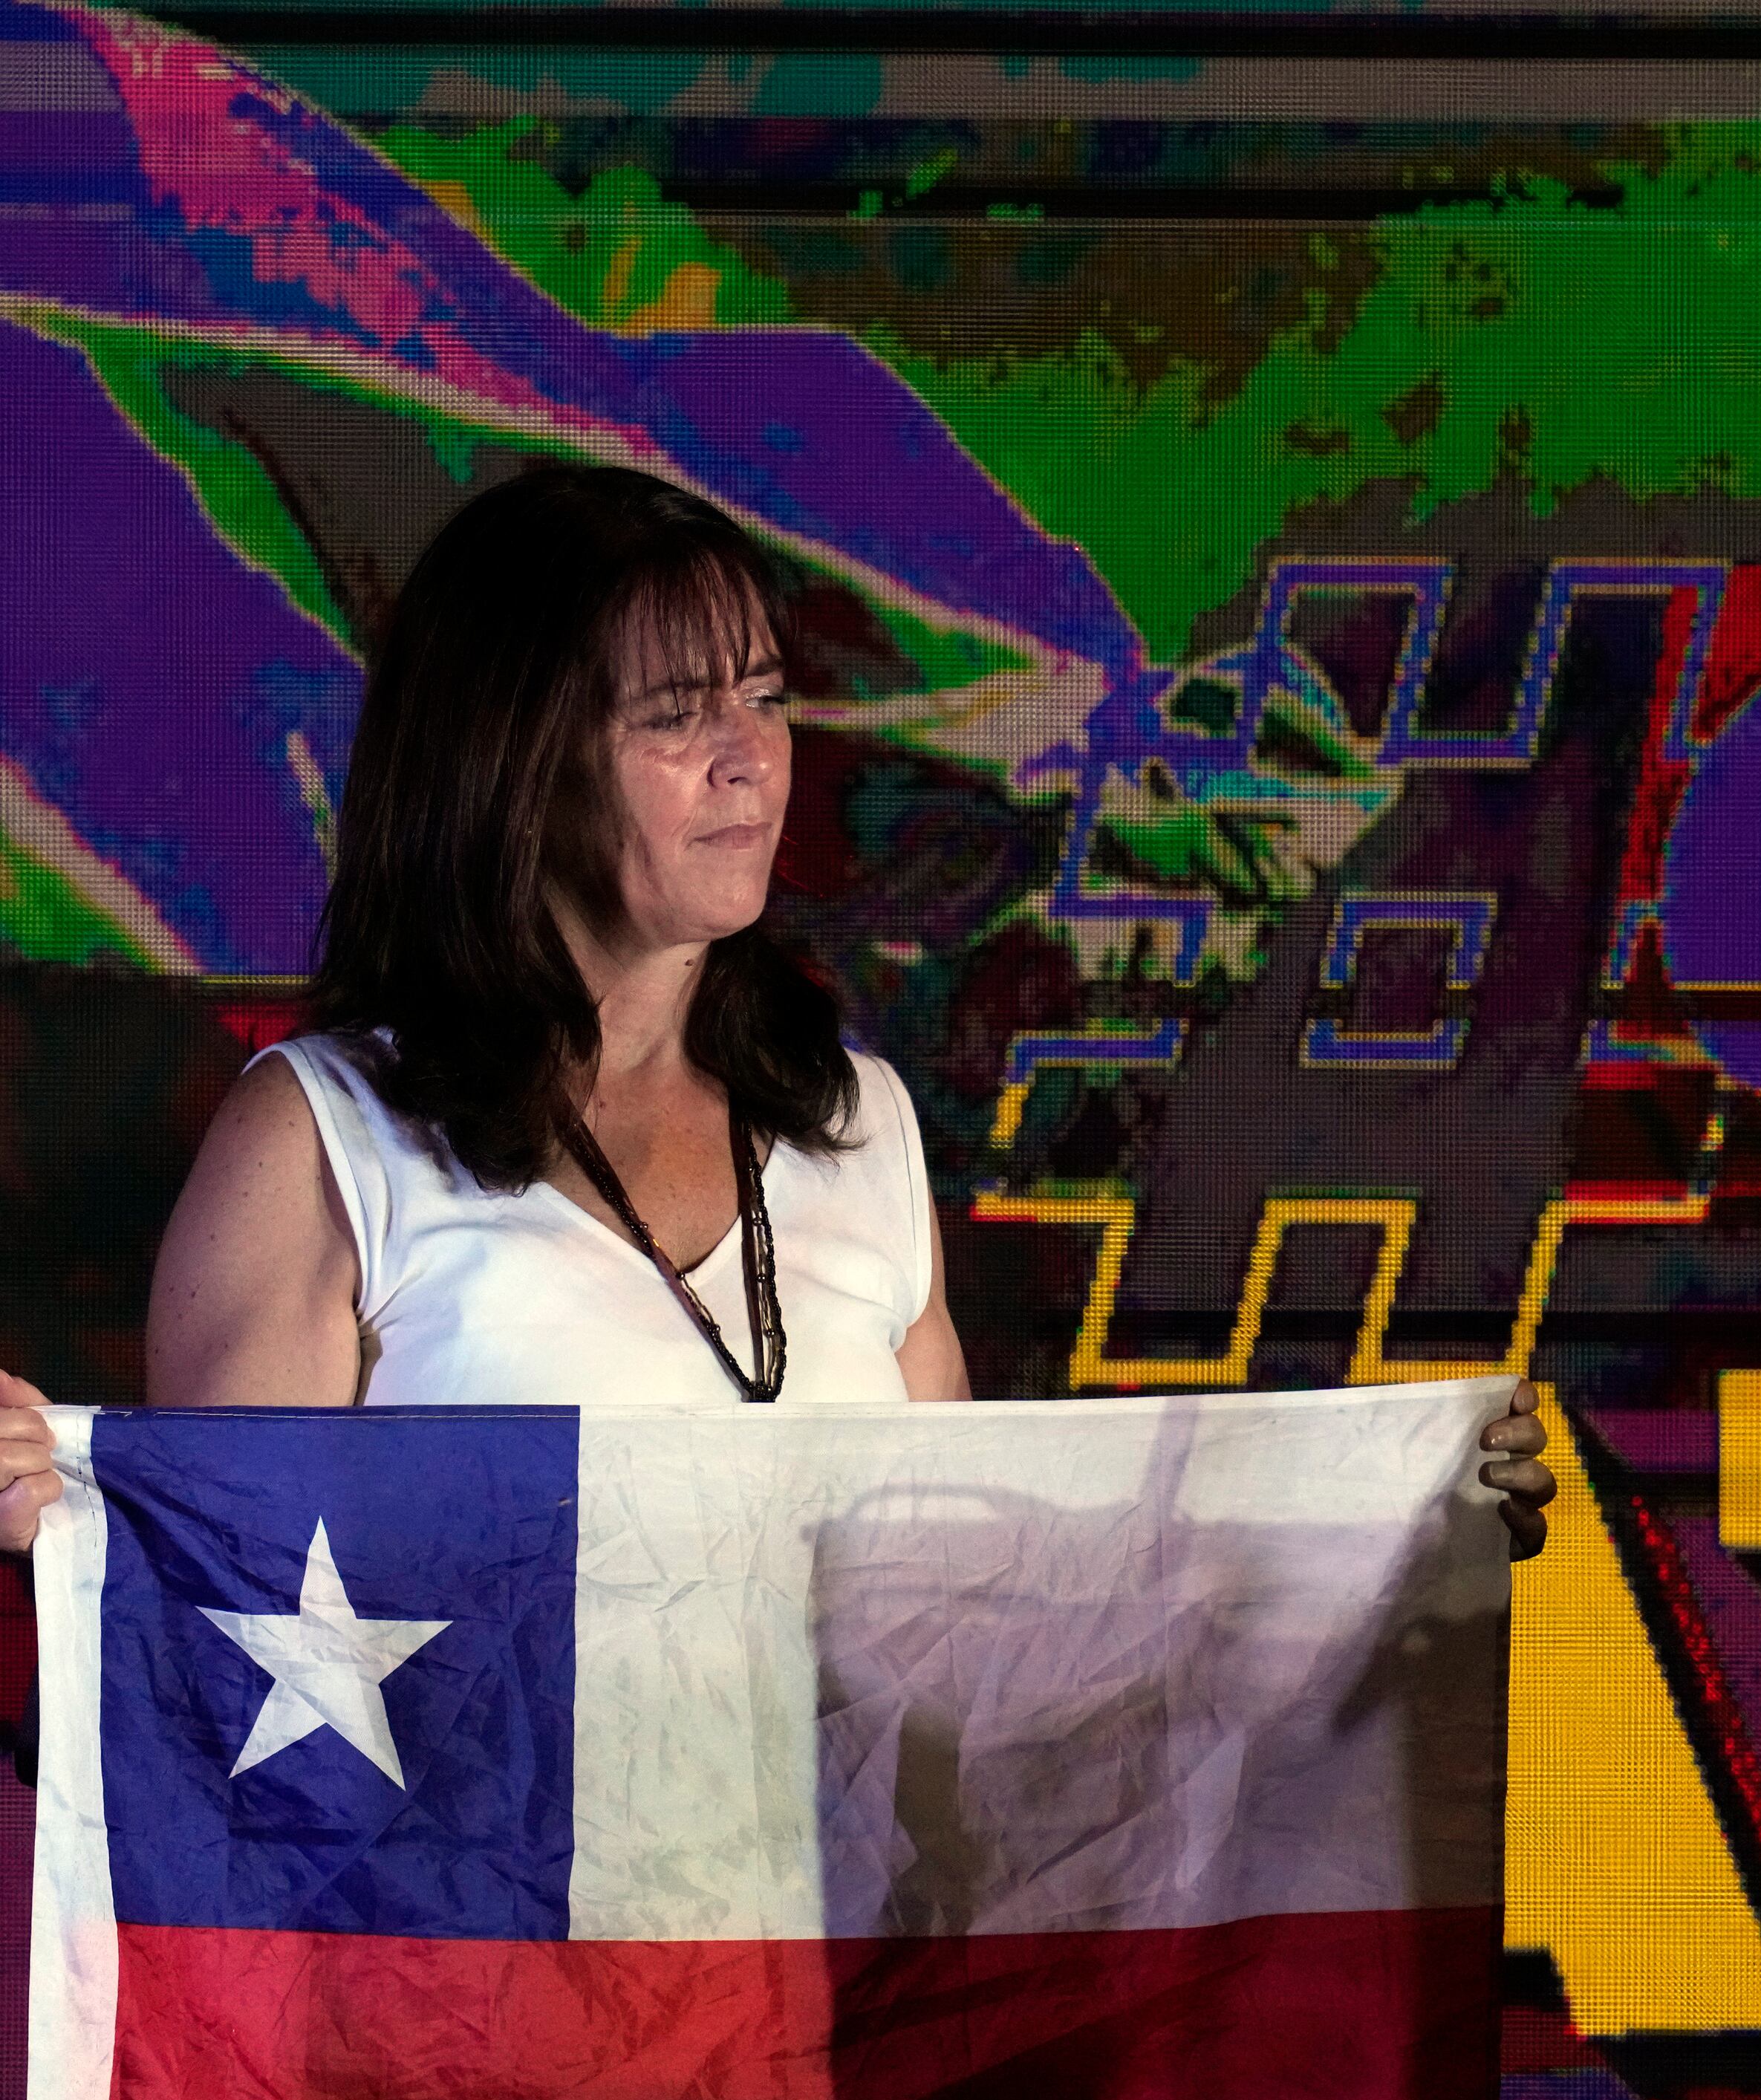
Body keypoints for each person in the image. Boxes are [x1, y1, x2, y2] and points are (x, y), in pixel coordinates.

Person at [0, 464, 1553, 1547]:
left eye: (761, 695)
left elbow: (990, 1597)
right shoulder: (326, 1139)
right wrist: (64, 1513)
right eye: (678, 714)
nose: (749, 755)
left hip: (810, 1987)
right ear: (508, 768)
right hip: (486, 1993)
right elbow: (221, 1612)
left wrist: (1387, 1507)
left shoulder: (857, 1125)